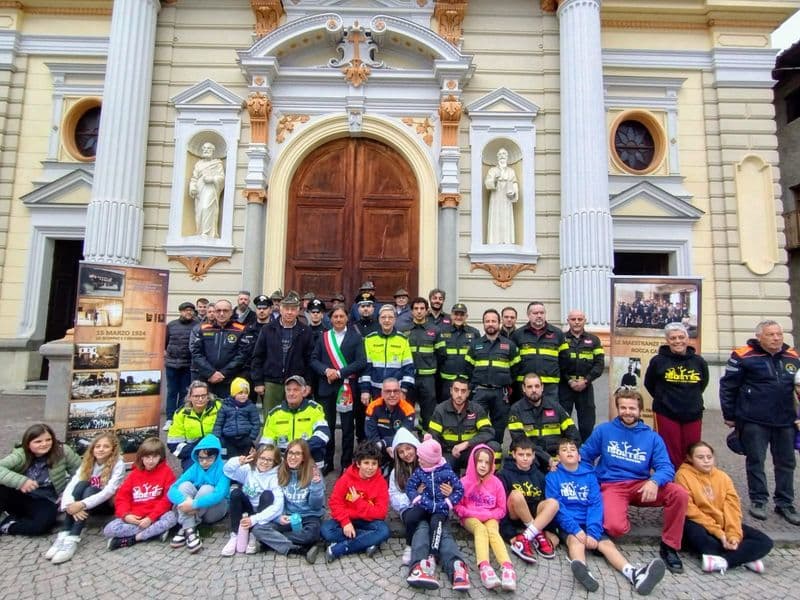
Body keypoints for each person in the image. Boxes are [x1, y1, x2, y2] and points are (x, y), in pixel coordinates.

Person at [580, 387, 688, 574]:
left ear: (639, 410)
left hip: (642, 485)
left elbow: (666, 467)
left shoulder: (652, 437)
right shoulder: (604, 431)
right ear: (618, 409)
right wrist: (592, 479)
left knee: (679, 493)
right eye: (623, 408)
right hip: (612, 485)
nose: (627, 412)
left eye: (632, 408)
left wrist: (655, 481)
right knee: (615, 527)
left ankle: (670, 546)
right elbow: (584, 456)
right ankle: (614, 518)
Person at [546, 438, 666, 595]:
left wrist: (594, 532)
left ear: (579, 456)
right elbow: (558, 508)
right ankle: (583, 570)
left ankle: (634, 574)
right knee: (576, 543)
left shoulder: (590, 476)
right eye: (564, 450)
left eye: (572, 449)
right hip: (569, 523)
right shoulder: (552, 477)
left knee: (607, 546)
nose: (569, 451)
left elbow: (595, 505)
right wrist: (576, 530)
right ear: (558, 457)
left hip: (589, 521)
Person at [719, 319, 800, 525]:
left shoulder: (792, 356)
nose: (776, 338)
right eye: (771, 334)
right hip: (753, 419)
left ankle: (785, 503)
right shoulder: (743, 355)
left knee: (786, 463)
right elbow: (728, 386)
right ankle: (758, 500)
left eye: (779, 334)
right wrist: (729, 415)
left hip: (785, 420)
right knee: (756, 460)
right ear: (759, 337)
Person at [389, 428, 471, 591]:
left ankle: (456, 566)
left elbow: (455, 486)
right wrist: (415, 497)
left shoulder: (437, 465)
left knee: (442, 532)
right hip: (414, 511)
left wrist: (449, 493)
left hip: (437, 508)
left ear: (416, 447)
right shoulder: (396, 473)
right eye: (401, 451)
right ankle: (419, 566)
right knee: (422, 528)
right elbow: (394, 498)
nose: (406, 454)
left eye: (409, 448)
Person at [675, 441, 773, 574]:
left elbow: (732, 507)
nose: (706, 461)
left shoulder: (723, 477)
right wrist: (720, 534)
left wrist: (733, 535)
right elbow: (690, 510)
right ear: (690, 458)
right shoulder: (682, 475)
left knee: (765, 542)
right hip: (699, 523)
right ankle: (745, 556)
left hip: (723, 523)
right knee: (702, 539)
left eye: (709, 457)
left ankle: (724, 561)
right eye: (700, 457)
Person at [45, 432, 126, 564]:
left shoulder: (119, 464)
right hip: (85, 504)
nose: (101, 449)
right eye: (97, 446)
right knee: (81, 484)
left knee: (90, 489)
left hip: (106, 505)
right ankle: (64, 533)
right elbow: (72, 484)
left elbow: (108, 491)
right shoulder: (88, 462)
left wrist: (82, 504)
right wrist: (69, 505)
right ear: (92, 448)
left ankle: (73, 537)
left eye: (106, 446)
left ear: (113, 449)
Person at [644, 322, 709, 469]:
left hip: (693, 412)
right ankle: (671, 482)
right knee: (669, 449)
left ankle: (689, 481)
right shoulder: (658, 361)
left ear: (687, 339)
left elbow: (703, 383)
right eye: (673, 338)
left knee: (692, 449)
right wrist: (664, 398)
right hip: (666, 412)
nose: (677, 341)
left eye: (681, 337)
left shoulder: (698, 361)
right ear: (667, 341)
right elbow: (649, 383)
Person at [310, 303, 367, 474]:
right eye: (335, 316)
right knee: (327, 426)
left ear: (347, 318)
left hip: (347, 388)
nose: (339, 319)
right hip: (326, 387)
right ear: (330, 318)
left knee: (348, 428)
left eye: (342, 316)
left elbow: (361, 362)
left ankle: (346, 464)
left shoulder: (355, 338)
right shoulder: (323, 337)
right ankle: (328, 462)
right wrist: (326, 370)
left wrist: (340, 372)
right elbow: (313, 359)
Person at [0, 423, 81, 536]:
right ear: (28, 444)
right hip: (20, 495)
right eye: (38, 441)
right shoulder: (21, 454)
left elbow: (80, 472)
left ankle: (7, 526)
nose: (44, 444)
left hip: (46, 499)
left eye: (48, 440)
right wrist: (21, 481)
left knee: (40, 527)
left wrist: (67, 493)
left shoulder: (63, 451)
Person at [454, 444, 516, 591]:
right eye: (480, 461)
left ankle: (507, 568)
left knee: (493, 531)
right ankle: (485, 567)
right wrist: (474, 514)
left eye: (487, 462)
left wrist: (489, 515)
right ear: (473, 462)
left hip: (491, 516)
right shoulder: (463, 482)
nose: (483, 465)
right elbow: (457, 507)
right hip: (470, 517)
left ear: (492, 464)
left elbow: (501, 509)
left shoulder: (496, 483)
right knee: (480, 530)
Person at [256, 439, 325, 563]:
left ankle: (270, 542)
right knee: (258, 529)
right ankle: (299, 549)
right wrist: (278, 518)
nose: (293, 457)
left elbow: (316, 507)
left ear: (304, 457)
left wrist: (316, 485)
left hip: (309, 517)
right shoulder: (280, 472)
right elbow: (278, 500)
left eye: (297, 454)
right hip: (287, 517)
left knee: (311, 535)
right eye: (290, 453)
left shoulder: (313, 472)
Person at [103, 437, 177, 550]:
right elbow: (122, 497)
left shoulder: (167, 473)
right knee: (109, 529)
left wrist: (151, 518)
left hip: (156, 516)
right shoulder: (134, 474)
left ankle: (134, 539)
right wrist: (126, 515)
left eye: (155, 457)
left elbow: (167, 499)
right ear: (141, 457)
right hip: (135, 517)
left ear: (160, 457)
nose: (150, 461)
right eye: (147, 457)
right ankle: (155, 532)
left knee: (172, 517)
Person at [321, 441, 391, 561]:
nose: (370, 467)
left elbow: (381, 513)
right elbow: (335, 502)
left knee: (384, 531)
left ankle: (340, 548)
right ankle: (368, 541)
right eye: (366, 463)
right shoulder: (346, 478)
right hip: (348, 519)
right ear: (358, 463)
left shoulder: (381, 482)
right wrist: (345, 523)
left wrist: (359, 502)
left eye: (374, 463)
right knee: (326, 530)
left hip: (369, 522)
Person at [251, 292, 314, 417]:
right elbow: (258, 356)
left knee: (294, 418)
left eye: (293, 309)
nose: (289, 312)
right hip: (271, 382)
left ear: (298, 311)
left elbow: (309, 359)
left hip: (296, 383)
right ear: (280, 309)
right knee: (271, 418)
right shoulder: (268, 329)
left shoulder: (305, 331)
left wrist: (308, 383)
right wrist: (258, 382)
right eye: (286, 309)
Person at [404, 436, 464, 568]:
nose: (418, 460)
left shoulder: (447, 472)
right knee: (410, 518)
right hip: (424, 504)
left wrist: (448, 502)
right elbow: (410, 487)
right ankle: (409, 545)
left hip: (440, 508)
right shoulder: (420, 471)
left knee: (436, 526)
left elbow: (459, 490)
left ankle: (433, 554)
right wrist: (417, 498)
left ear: (431, 460)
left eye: (421, 458)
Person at [497, 437, 558, 564]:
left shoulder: (540, 476)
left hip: (535, 516)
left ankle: (526, 537)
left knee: (553, 503)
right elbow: (500, 506)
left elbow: (544, 502)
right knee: (516, 494)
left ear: (534, 455)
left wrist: (550, 531)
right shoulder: (503, 475)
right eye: (521, 454)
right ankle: (537, 535)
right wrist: (509, 534)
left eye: (528, 455)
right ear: (514, 454)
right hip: (515, 515)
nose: (525, 458)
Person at [464, 309, 520, 445]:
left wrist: (506, 382)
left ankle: (496, 453)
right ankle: (479, 453)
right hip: (480, 392)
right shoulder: (475, 345)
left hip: (501, 392)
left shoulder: (509, 345)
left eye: (493, 321)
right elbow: (468, 368)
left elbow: (516, 368)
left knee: (499, 426)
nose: (490, 324)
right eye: (487, 321)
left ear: (499, 323)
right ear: (483, 324)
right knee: (477, 424)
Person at [359, 304, 415, 441]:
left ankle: (393, 448)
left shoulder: (402, 340)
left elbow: (409, 367)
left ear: (395, 319)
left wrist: (403, 390)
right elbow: (366, 367)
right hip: (375, 391)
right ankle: (374, 449)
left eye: (390, 317)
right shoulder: (370, 339)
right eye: (383, 317)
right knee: (374, 423)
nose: (387, 320)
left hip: (395, 392)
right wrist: (365, 390)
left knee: (394, 424)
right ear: (379, 319)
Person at [167, 434, 230, 554]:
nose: (204, 462)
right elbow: (172, 489)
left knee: (207, 489)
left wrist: (193, 504)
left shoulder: (223, 469)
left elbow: (219, 494)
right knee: (184, 486)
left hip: (215, 510)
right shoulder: (195, 468)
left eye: (209, 459)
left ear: (216, 456)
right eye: (201, 459)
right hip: (196, 508)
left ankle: (185, 527)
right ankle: (189, 529)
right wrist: (184, 502)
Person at [508, 372, 580, 472]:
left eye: (537, 386)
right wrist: (548, 459)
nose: (534, 390)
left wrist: (563, 456)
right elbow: (520, 440)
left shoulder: (555, 407)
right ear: (524, 389)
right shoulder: (516, 410)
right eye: (529, 387)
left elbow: (573, 434)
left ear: (542, 387)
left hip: (556, 458)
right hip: (530, 458)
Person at [221, 443, 283, 556]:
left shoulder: (275, 477)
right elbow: (227, 471)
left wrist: (255, 519)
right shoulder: (248, 469)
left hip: (262, 512)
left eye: (269, 460)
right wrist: (238, 462)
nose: (265, 462)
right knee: (235, 493)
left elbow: (278, 506)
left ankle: (253, 535)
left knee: (268, 495)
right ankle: (234, 535)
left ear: (275, 462)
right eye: (262, 458)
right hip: (248, 509)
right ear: (257, 457)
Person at [260, 375, 330, 467]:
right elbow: (266, 441)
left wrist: (299, 450)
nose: (291, 393)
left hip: (308, 461)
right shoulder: (274, 413)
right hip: (283, 464)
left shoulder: (314, 409)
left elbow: (323, 435)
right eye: (288, 390)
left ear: (304, 392)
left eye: (295, 390)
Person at [428, 378, 496, 473]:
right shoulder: (440, 410)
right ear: (451, 391)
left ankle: (490, 482)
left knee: (494, 446)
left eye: (463, 391)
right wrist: (442, 455)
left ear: (468, 393)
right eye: (456, 390)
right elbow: (434, 437)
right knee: (446, 475)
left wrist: (467, 444)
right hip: (448, 452)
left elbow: (488, 432)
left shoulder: (476, 409)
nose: (459, 395)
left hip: (471, 451)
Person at [189, 298, 249, 398]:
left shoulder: (241, 329)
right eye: (218, 310)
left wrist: (223, 373)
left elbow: (242, 355)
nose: (221, 314)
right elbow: (196, 353)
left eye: (225, 311)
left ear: (231, 312)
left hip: (229, 380)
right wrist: (211, 373)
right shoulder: (203, 328)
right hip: (206, 379)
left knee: (226, 411)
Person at [559, 309, 604, 442]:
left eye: (580, 319)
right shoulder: (561, 339)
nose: (577, 322)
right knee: (563, 420)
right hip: (566, 386)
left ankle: (585, 450)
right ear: (568, 321)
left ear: (585, 320)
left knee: (587, 423)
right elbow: (557, 363)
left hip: (586, 386)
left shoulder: (594, 340)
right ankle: (565, 449)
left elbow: (599, 364)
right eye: (573, 319)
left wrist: (586, 381)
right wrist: (569, 381)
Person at [511, 301, 568, 403]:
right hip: (525, 386)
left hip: (550, 387)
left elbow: (565, 360)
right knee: (526, 415)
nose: (539, 316)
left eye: (542, 313)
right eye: (535, 313)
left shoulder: (557, 333)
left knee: (549, 416)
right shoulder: (518, 335)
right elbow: (512, 362)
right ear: (528, 315)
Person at [402, 297, 439, 430]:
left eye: (422, 308)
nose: (419, 311)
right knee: (407, 412)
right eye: (416, 309)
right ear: (411, 311)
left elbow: (441, 355)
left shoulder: (435, 330)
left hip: (428, 379)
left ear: (427, 310)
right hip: (409, 379)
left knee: (428, 413)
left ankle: (425, 442)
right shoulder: (404, 330)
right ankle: (407, 442)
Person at [167, 380, 222, 470]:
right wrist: (198, 450)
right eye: (196, 396)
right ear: (190, 397)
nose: (200, 399)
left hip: (217, 449)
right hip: (193, 453)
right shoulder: (181, 414)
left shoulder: (219, 407)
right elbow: (174, 444)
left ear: (208, 397)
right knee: (192, 478)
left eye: (203, 396)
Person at [364, 378, 416, 467]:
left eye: (395, 391)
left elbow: (403, 435)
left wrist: (385, 443)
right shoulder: (372, 407)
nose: (392, 395)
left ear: (400, 393)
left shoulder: (408, 410)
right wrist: (383, 446)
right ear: (382, 393)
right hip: (378, 447)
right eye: (388, 391)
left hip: (400, 449)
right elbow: (371, 435)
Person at [435, 303, 480, 400]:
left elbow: (478, 358)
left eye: (462, 314)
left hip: (466, 382)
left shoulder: (474, 333)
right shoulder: (442, 333)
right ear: (451, 315)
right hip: (447, 382)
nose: (458, 317)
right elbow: (438, 357)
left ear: (466, 316)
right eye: (456, 314)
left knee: (466, 411)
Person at [164, 301, 197, 431]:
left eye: (191, 310)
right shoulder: (171, 325)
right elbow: (164, 342)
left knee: (185, 392)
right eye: (186, 310)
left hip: (188, 365)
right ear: (181, 312)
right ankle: (169, 418)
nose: (188, 312)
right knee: (172, 392)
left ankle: (180, 417)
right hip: (171, 364)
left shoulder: (197, 325)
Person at [212, 377, 261, 458]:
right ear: (234, 394)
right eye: (240, 393)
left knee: (246, 460)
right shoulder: (225, 406)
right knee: (229, 460)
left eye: (246, 393)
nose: (243, 395)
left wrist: (251, 437)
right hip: (228, 439)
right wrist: (217, 437)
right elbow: (218, 423)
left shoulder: (251, 407)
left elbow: (256, 423)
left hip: (245, 438)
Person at [189, 141, 224, 238]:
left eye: (208, 148)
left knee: (206, 208)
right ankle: (200, 232)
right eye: (204, 148)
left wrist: (212, 179)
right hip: (200, 190)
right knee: (200, 211)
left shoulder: (217, 164)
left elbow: (221, 178)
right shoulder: (198, 164)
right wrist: (192, 188)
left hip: (211, 189)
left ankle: (207, 233)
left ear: (213, 151)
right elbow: (194, 178)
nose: (206, 150)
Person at [485, 147, 518, 245]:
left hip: (507, 198)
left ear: (507, 157)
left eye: (504, 154)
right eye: (500, 154)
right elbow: (487, 183)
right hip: (496, 197)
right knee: (496, 217)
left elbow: (515, 183)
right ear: (497, 157)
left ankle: (506, 241)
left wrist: (514, 192)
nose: (502, 156)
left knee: (506, 217)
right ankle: (494, 240)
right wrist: (495, 180)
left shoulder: (511, 171)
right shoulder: (492, 170)